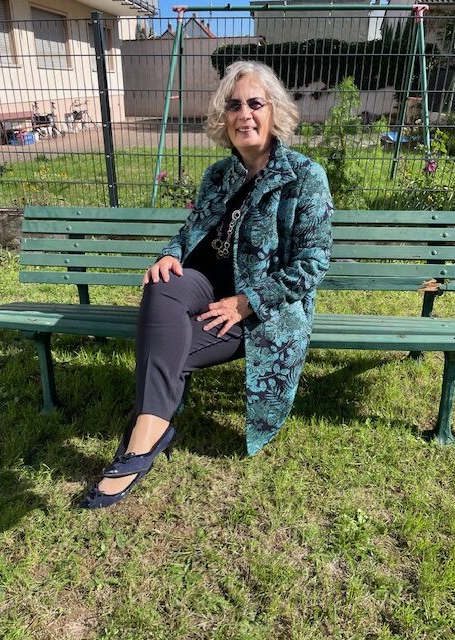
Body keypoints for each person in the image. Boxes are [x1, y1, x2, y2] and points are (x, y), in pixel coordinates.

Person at [79, 61, 333, 509]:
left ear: (274, 111)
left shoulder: (304, 176)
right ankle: (150, 437)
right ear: (223, 116)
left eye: (255, 104)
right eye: (233, 106)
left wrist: (246, 302)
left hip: (259, 309)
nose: (244, 115)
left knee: (165, 348)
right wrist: (170, 254)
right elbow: (191, 230)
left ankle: (139, 443)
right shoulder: (219, 174)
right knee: (161, 285)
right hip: (201, 286)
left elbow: (313, 264)